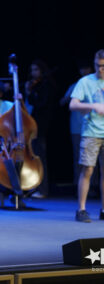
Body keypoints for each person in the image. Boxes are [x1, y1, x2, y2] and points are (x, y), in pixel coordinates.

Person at [69, 49, 104, 223]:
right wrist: (93, 106)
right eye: (98, 66)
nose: (100, 70)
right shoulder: (85, 82)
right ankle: (81, 209)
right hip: (91, 132)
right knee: (88, 169)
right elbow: (73, 104)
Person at [24, 59, 56, 198]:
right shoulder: (35, 85)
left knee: (39, 157)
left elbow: (40, 104)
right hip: (32, 125)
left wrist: (29, 92)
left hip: (40, 126)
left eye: (36, 70)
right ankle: (34, 186)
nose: (33, 73)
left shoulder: (46, 85)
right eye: (32, 70)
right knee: (34, 156)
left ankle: (42, 189)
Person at [60, 61, 94, 187]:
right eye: (81, 69)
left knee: (93, 160)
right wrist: (70, 97)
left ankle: (93, 186)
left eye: (86, 68)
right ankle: (78, 185)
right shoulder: (76, 85)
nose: (83, 71)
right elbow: (63, 102)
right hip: (77, 127)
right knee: (79, 158)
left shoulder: (96, 85)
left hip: (93, 127)